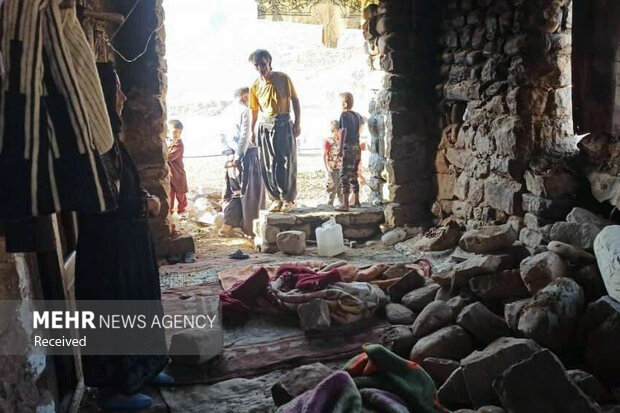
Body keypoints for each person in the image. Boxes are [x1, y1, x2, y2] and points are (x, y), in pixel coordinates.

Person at [75, 62, 170, 411]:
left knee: (140, 299)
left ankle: (145, 369)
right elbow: (103, 199)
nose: (121, 95)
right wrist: (147, 206)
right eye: (114, 88)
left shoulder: (110, 136)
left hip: (128, 242)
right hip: (108, 246)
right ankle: (114, 391)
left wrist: (145, 202)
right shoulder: (93, 139)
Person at [248, 49, 301, 213]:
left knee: (285, 161)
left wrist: (297, 123)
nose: (260, 68)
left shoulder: (283, 79)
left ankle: (288, 198)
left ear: (269, 62)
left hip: (283, 123)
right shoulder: (255, 86)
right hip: (265, 125)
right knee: (267, 163)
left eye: (262, 64)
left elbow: (295, 101)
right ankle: (275, 198)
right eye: (256, 66)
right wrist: (252, 131)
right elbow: (254, 110)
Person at [220, 87, 266, 236]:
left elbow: (221, 135)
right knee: (251, 194)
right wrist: (239, 157)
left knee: (234, 192)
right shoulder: (244, 111)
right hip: (246, 156)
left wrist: (229, 154)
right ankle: (251, 231)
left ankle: (227, 227)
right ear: (245, 97)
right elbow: (245, 136)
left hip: (230, 156)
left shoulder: (225, 112)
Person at [336, 92, 366, 212]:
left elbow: (344, 130)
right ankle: (357, 201)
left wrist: (340, 148)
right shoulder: (357, 115)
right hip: (357, 147)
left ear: (344, 103)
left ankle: (345, 204)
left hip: (348, 147)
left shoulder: (344, 115)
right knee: (354, 173)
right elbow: (359, 131)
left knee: (344, 174)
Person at [167, 119, 188, 214]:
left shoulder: (179, 145)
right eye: (175, 132)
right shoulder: (169, 142)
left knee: (181, 194)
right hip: (171, 175)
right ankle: (170, 211)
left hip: (178, 174)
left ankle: (181, 211)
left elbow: (169, 157)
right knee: (170, 194)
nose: (177, 135)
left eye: (179, 132)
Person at [323, 120, 343, 206]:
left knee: (341, 191)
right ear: (335, 130)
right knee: (332, 191)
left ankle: (342, 207)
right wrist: (327, 168)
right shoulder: (328, 141)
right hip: (333, 169)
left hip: (341, 168)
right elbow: (325, 156)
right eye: (340, 130)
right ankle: (329, 207)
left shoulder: (341, 141)